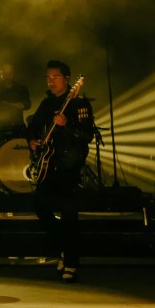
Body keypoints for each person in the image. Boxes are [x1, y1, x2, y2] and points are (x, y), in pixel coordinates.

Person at [26, 59, 94, 283]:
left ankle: (71, 262)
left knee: (68, 215)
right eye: (48, 77)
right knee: (41, 208)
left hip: (69, 166)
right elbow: (33, 126)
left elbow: (87, 135)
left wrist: (68, 125)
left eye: (55, 77)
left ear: (67, 79)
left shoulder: (80, 103)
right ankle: (65, 248)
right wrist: (33, 141)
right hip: (48, 165)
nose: (51, 81)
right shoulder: (46, 104)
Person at [0, 63, 31, 133]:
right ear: (1, 74)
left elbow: (28, 104)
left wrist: (23, 104)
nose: (8, 76)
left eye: (10, 73)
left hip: (17, 127)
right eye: (5, 74)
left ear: (13, 74)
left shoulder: (21, 88)